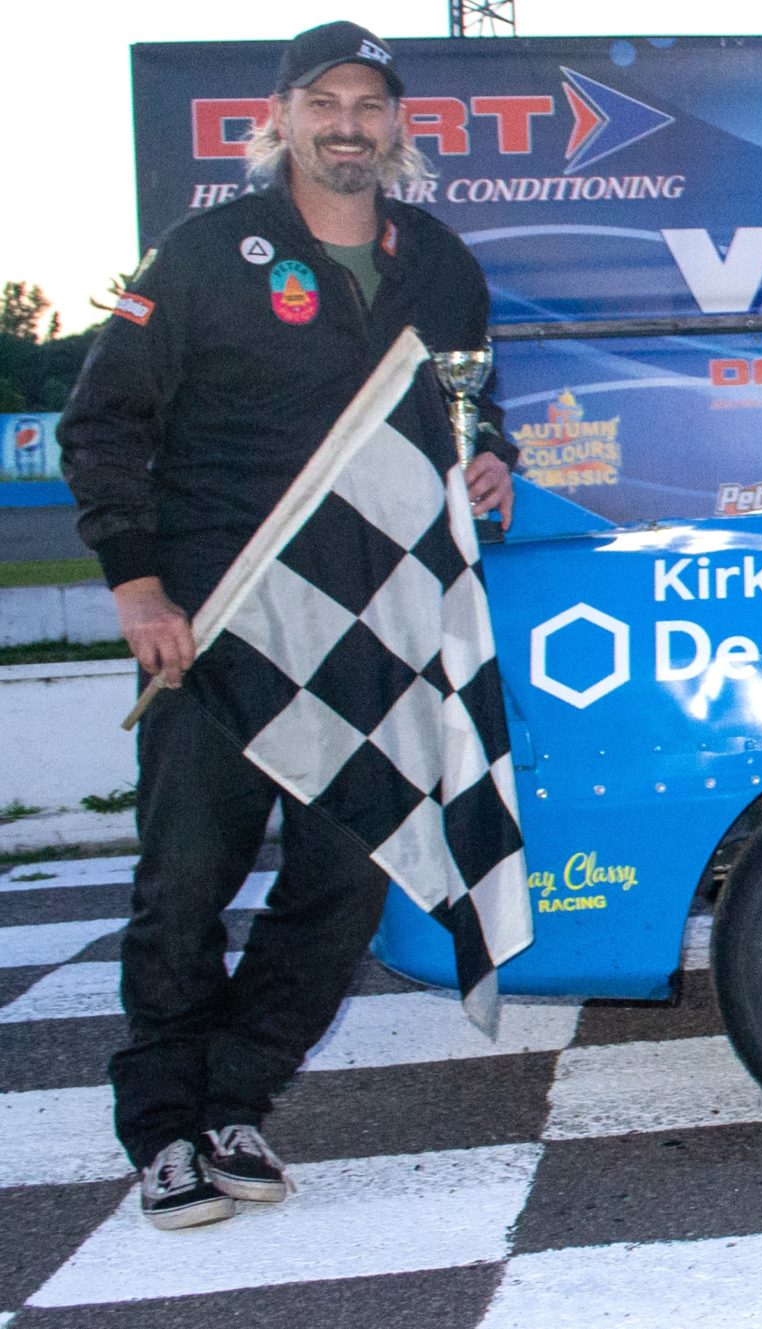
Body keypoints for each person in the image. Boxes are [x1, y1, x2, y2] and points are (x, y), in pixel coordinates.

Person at [57, 21, 516, 1231]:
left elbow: (475, 408)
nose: (348, 125)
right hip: (217, 627)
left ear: (396, 125)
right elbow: (101, 426)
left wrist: (495, 459)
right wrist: (137, 585)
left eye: (369, 105)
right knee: (186, 885)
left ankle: (235, 1100)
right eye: (326, 103)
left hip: (373, 638)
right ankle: (163, 1130)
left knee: (343, 885)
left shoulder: (440, 264)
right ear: (282, 118)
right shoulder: (208, 253)